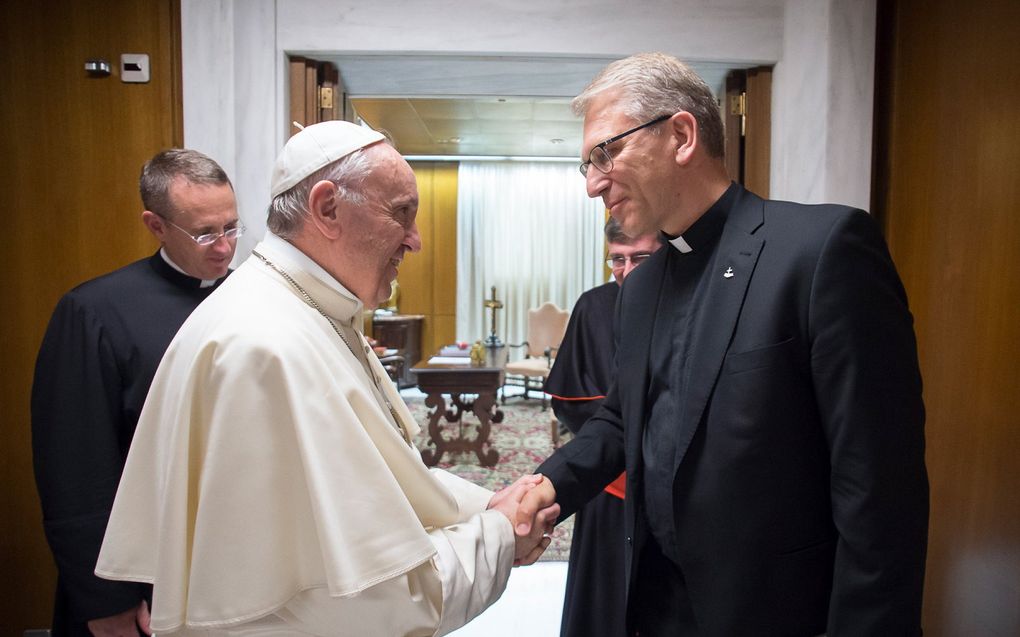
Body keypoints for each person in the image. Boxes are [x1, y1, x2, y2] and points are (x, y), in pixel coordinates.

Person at [517, 52, 929, 636]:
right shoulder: (641, 288)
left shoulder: (820, 251)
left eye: (605, 154)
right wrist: (546, 484)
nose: (592, 184)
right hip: (655, 606)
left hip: (775, 613)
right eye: (586, 164)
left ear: (681, 136)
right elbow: (620, 419)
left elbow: (881, 494)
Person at [95, 120, 559, 636]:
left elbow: (388, 481)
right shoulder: (267, 345)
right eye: (402, 213)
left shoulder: (308, 308)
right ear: (327, 208)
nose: (416, 240)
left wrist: (488, 506)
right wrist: (501, 532)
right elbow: (379, 602)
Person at [31, 149, 240, 637]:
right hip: (140, 568)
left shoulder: (250, 298)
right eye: (205, 232)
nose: (225, 247)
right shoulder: (94, 312)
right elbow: (74, 466)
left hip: (226, 557)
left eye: (232, 227)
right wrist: (106, 597)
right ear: (156, 225)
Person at [545, 218, 662, 637]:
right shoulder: (593, 306)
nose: (628, 270)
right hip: (608, 480)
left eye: (641, 257)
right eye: (617, 259)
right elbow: (569, 401)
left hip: (669, 482)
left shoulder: (687, 299)